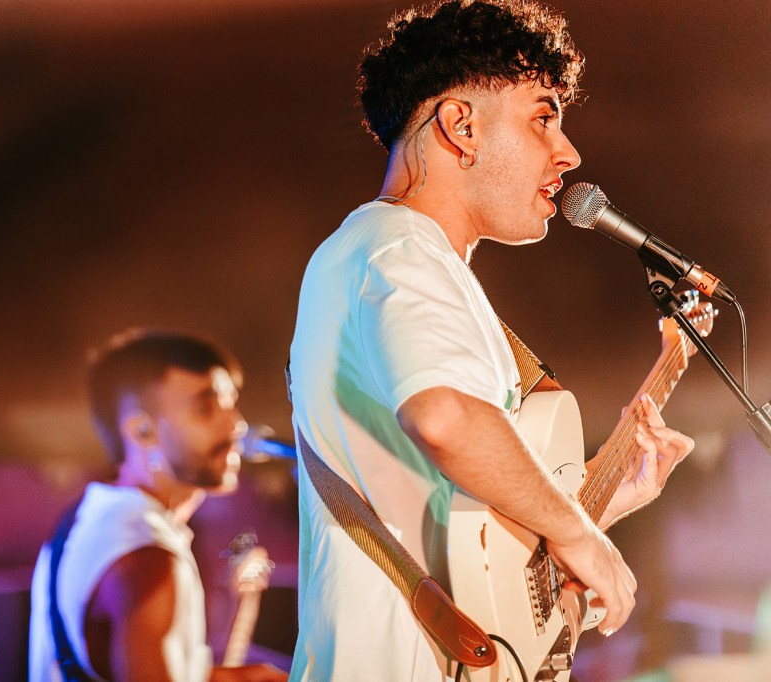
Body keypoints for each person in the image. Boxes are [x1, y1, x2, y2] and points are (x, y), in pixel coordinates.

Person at [287, 2, 695, 680]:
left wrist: (600, 504)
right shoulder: (398, 248)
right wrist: (576, 533)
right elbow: (445, 418)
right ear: (461, 125)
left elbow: (470, 550)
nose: (568, 153)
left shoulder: (397, 256)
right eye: (543, 117)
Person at [28, 329, 287, 682]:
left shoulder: (92, 517)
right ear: (142, 432)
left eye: (230, 404)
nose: (236, 425)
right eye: (206, 408)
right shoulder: (148, 558)